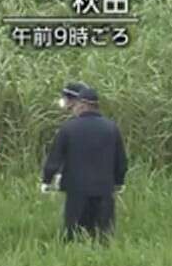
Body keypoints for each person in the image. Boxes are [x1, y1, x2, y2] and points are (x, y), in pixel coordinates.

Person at [41, 87, 127, 241]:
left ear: (82, 105)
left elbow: (54, 158)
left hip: (76, 191)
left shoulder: (68, 128)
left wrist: (47, 180)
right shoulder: (111, 128)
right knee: (103, 236)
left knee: (74, 235)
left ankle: (75, 261)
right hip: (104, 190)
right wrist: (119, 182)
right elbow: (121, 160)